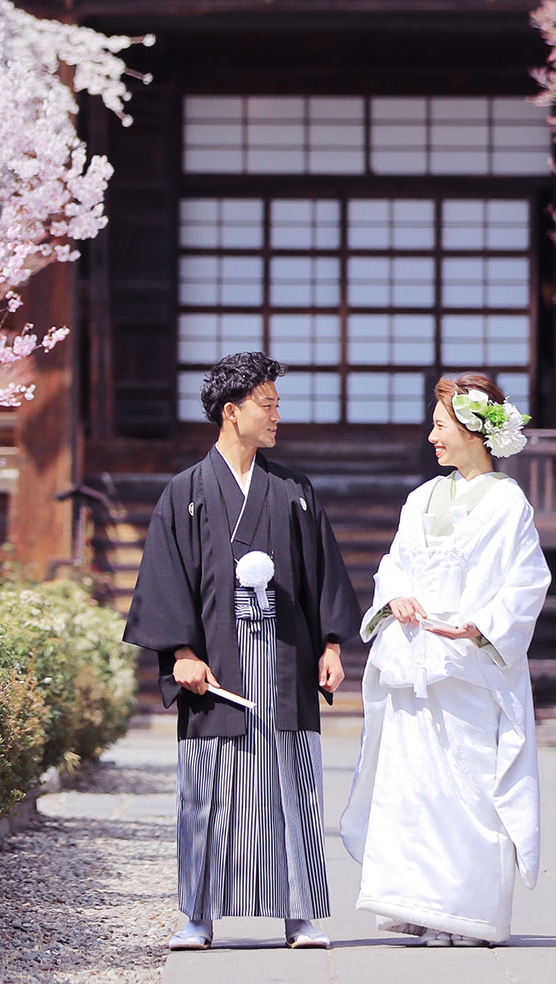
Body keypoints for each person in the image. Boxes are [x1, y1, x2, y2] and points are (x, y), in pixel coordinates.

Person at [123, 352, 361, 951]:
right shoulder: (185, 493)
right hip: (215, 667)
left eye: (277, 403)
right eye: (267, 404)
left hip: (283, 663)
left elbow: (321, 574)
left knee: (292, 789)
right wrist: (180, 650)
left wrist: (332, 642)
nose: (277, 414)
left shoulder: (294, 492)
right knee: (207, 792)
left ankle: (299, 915)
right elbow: (166, 578)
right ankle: (199, 916)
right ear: (231, 413)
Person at [340, 372, 550, 947]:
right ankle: (423, 908)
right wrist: (396, 596)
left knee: (471, 788)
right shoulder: (420, 497)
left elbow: (528, 581)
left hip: (468, 661)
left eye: (440, 426)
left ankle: (473, 914)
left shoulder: (509, 503)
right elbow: (395, 565)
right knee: (416, 788)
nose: (432, 437)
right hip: (415, 658)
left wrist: (482, 626)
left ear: (474, 431)